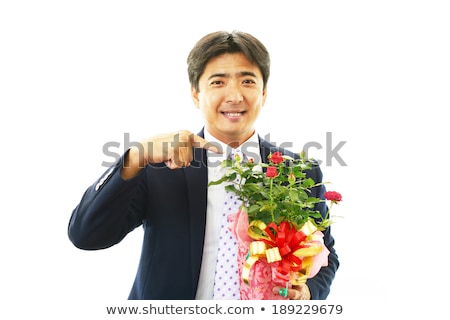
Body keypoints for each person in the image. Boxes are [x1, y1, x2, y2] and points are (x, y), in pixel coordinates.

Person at [68, 30, 339, 300]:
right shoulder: (159, 164)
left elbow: (325, 255)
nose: (234, 96)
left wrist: (307, 292)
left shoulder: (298, 172)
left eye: (247, 81)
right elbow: (87, 235)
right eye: (218, 82)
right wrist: (135, 157)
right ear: (196, 94)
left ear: (264, 93)